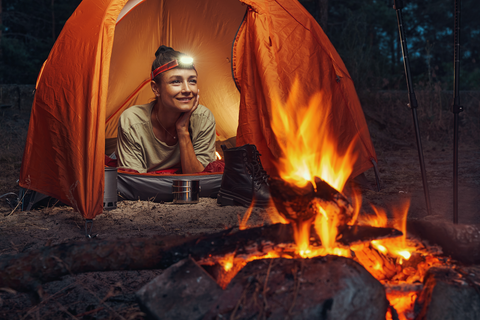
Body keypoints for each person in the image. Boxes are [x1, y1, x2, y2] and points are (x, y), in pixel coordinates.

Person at [116, 45, 216, 174]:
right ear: (156, 88)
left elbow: (200, 180)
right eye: (176, 81)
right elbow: (134, 184)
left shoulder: (203, 117)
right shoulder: (132, 120)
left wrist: (183, 129)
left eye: (192, 81)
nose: (187, 90)